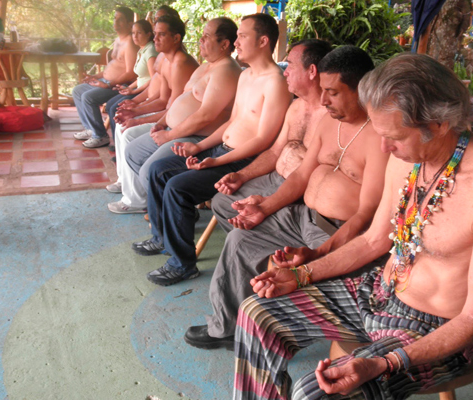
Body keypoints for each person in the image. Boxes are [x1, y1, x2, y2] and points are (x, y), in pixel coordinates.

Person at [233, 53, 473, 400]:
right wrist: (302, 274)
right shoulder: (407, 158)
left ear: (438, 124)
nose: (384, 147)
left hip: (433, 330)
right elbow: (373, 241)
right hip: (376, 293)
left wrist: (385, 363)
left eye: (394, 138)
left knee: (315, 393)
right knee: (257, 313)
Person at [184, 45, 389, 350]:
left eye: (332, 92)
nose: (323, 100)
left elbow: (365, 215)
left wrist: (321, 255)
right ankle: (224, 328)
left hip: (336, 231)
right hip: (302, 216)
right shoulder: (328, 122)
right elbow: (301, 176)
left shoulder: (380, 138)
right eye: (322, 90)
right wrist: (264, 207)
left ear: (361, 89)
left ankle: (275, 327)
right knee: (241, 238)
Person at [135, 13, 292, 286]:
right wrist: (200, 146)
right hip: (221, 148)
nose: (237, 42)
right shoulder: (246, 76)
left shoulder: (275, 82)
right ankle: (162, 238)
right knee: (159, 170)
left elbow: (264, 139)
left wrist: (217, 162)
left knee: (178, 187)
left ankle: (182, 264)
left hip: (242, 160)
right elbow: (233, 122)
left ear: (263, 41)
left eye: (242, 36)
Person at [107, 17, 242, 214]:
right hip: (175, 129)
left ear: (224, 44)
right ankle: (163, 203)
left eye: (206, 37)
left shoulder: (226, 71)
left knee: (150, 171)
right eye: (201, 36)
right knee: (132, 152)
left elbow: (206, 115)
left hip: (197, 136)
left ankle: (172, 212)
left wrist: (169, 135)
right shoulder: (205, 66)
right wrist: (161, 123)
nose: (201, 41)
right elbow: (178, 100)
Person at [210, 39, 332, 232]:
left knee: (249, 229)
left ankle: (257, 247)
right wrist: (241, 176)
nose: (285, 72)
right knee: (222, 202)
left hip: (300, 193)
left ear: (312, 71)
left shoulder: (331, 116)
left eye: (290, 65)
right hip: (273, 178)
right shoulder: (296, 107)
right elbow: (275, 152)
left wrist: (266, 204)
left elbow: (306, 176)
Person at [105, 15, 199, 202]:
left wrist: (138, 118)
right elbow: (163, 99)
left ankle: (136, 198)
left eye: (161, 34)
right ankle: (126, 183)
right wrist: (135, 110)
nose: (155, 39)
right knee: (124, 126)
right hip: (169, 115)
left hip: (181, 125)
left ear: (176, 38)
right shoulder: (165, 59)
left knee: (128, 131)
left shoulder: (181, 63)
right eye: (155, 34)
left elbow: (174, 108)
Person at [72, 7, 139, 148]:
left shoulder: (130, 43)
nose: (116, 21)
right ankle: (91, 129)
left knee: (88, 97)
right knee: (78, 91)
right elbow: (113, 66)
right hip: (105, 81)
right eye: (115, 18)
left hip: (119, 85)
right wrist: (95, 76)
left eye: (120, 19)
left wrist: (108, 84)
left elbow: (131, 73)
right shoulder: (117, 40)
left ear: (129, 24)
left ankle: (101, 136)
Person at [104, 19, 158, 140]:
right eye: (133, 33)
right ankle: (116, 141)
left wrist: (134, 92)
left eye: (139, 33)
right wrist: (129, 88)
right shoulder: (142, 49)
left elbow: (154, 78)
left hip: (145, 92)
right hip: (139, 89)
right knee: (110, 105)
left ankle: (119, 141)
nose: (135, 36)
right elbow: (141, 77)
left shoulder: (150, 51)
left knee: (114, 108)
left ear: (148, 34)